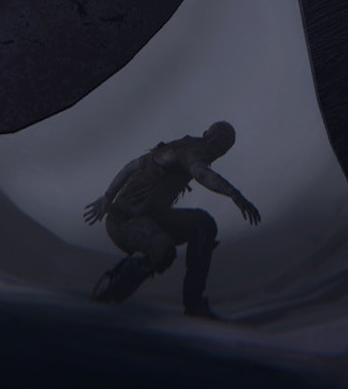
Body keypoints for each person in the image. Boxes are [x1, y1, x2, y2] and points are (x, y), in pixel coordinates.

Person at [83, 121, 260, 318]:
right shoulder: (191, 152)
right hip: (124, 223)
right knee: (162, 248)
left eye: (223, 146)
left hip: (151, 219)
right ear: (206, 136)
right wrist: (234, 193)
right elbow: (202, 173)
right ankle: (108, 293)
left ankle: (194, 304)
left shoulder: (178, 148)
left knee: (203, 225)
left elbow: (132, 166)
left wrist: (108, 196)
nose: (218, 149)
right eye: (218, 142)